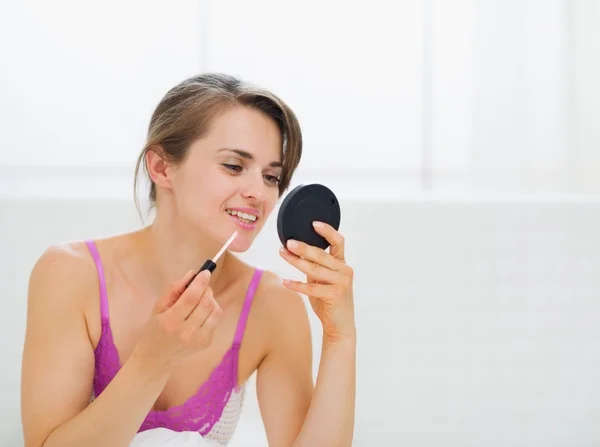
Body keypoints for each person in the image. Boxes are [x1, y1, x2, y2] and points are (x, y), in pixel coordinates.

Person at [20, 73, 356, 447]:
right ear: (161, 168)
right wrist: (152, 360)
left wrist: (340, 338)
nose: (258, 193)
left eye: (271, 176)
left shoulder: (273, 306)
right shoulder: (68, 274)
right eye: (233, 166)